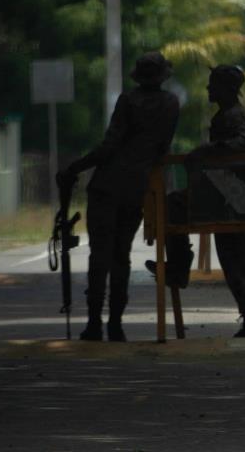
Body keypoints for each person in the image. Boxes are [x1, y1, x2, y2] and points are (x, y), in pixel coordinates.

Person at [57, 51, 179, 342]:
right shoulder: (171, 104)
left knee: (100, 256)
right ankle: (115, 323)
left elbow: (109, 146)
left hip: (107, 187)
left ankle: (93, 323)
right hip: (135, 189)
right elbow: (162, 147)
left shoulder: (128, 101)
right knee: (121, 257)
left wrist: (74, 168)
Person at [145, 64, 245, 338]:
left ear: (227, 88)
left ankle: (179, 266)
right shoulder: (225, 114)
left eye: (213, 84)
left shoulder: (234, 115)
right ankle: (179, 265)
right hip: (218, 194)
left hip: (226, 197)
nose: (209, 88)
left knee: (234, 260)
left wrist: (208, 150)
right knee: (233, 259)